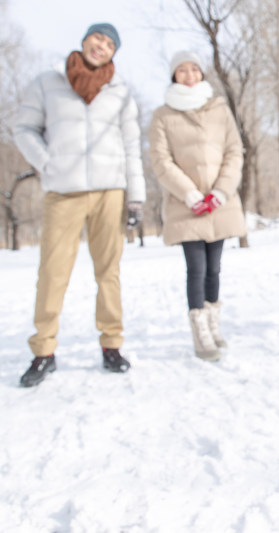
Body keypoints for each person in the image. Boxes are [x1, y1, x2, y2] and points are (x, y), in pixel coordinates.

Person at [13, 22, 146, 387]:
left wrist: (136, 196)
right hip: (63, 192)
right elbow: (23, 129)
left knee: (109, 272)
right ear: (85, 40)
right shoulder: (47, 82)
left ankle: (112, 345)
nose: (101, 46)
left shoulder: (120, 92)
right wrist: (47, 163)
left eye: (109, 43)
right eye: (97, 38)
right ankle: (43, 350)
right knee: (53, 272)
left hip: (110, 191)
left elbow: (132, 147)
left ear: (113, 53)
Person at [149, 50, 246, 362]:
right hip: (185, 204)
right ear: (173, 75)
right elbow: (161, 161)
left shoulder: (219, 108)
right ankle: (200, 332)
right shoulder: (163, 115)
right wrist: (190, 194)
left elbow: (234, 151)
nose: (189, 74)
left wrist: (220, 191)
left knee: (215, 269)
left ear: (201, 74)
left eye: (194, 69)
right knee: (197, 269)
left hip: (220, 202)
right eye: (182, 70)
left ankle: (213, 324)